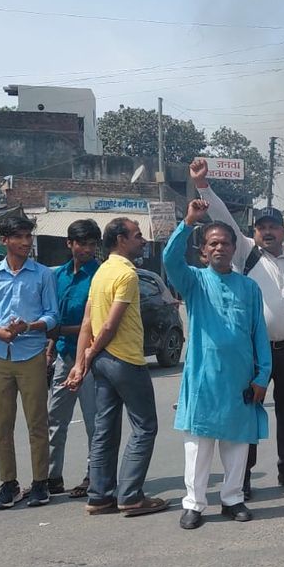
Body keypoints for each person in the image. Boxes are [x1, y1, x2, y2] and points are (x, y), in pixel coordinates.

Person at [191, 158, 284, 496]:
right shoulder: (245, 253)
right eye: (261, 227)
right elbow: (222, 218)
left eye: (273, 226)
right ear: (253, 232)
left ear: (282, 231)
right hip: (252, 353)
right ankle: (243, 477)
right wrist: (203, 185)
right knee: (248, 413)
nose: (267, 231)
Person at [164, 202, 271, 529]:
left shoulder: (249, 288)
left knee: (237, 445)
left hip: (240, 380)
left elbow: (259, 333)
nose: (219, 248)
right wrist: (188, 222)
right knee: (198, 446)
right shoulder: (194, 281)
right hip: (203, 380)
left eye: (225, 243)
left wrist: (262, 375)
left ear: (234, 250)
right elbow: (170, 260)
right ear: (203, 252)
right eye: (213, 243)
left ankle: (232, 499)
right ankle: (194, 504)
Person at [65, 217, 166, 516]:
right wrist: (88, 355)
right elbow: (109, 325)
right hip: (125, 360)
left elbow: (87, 321)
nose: (143, 241)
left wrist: (83, 362)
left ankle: (99, 496)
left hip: (104, 363)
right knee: (145, 427)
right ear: (121, 239)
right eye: (137, 235)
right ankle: (130, 495)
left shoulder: (101, 273)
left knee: (105, 429)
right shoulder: (126, 274)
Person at [0, 215, 58, 510]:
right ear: (4, 240)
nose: (25, 242)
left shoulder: (43, 275)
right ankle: (9, 484)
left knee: (37, 423)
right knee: (2, 425)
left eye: (28, 236)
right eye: (18, 236)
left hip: (31, 354)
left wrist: (28, 326)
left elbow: (52, 315)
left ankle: (40, 482)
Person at [46, 219, 101, 499]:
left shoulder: (100, 275)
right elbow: (53, 316)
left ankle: (94, 475)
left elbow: (96, 323)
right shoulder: (58, 276)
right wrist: (51, 344)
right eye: (82, 243)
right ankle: (52, 477)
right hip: (64, 354)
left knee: (94, 420)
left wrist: (60, 331)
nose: (87, 249)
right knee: (55, 419)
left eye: (92, 244)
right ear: (70, 244)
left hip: (91, 358)